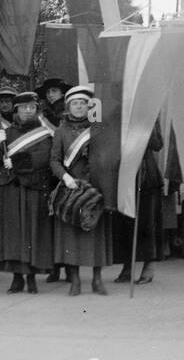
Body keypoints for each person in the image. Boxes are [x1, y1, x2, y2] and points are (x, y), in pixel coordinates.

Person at [0, 91, 55, 294]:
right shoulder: (7, 133)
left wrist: (16, 162)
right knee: (14, 237)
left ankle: (31, 277)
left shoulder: (44, 133)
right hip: (10, 190)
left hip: (33, 188)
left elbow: (43, 157)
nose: (28, 111)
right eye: (24, 108)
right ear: (16, 111)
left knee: (31, 235)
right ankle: (17, 278)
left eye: (32, 108)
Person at [49, 85, 113, 296]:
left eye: (83, 103)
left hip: (94, 187)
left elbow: (109, 158)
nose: (79, 107)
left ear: (89, 106)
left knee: (95, 235)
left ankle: (97, 279)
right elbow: (54, 160)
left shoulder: (99, 129)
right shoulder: (61, 131)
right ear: (68, 107)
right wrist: (66, 178)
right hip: (72, 188)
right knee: (70, 238)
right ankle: (75, 281)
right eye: (75, 104)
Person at [112, 120, 171, 285]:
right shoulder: (118, 108)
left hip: (145, 175)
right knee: (125, 221)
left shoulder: (149, 110)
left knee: (147, 223)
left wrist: (144, 127)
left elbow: (157, 144)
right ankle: (127, 265)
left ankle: (149, 264)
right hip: (123, 172)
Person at [36, 76, 69, 283]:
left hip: (66, 169)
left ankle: (67, 266)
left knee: (64, 219)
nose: (51, 95)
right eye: (48, 92)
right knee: (50, 220)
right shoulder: (43, 115)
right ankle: (54, 267)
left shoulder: (68, 114)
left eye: (54, 91)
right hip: (49, 169)